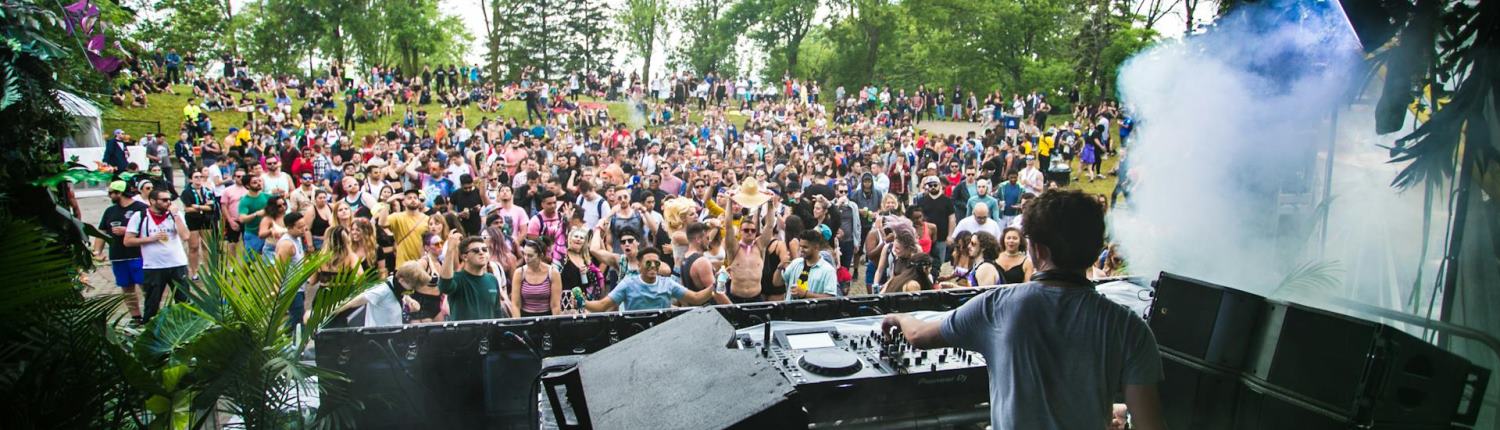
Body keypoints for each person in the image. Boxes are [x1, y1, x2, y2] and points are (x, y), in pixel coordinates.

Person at [881, 190, 1165, 430]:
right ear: (1095, 250)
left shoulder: (996, 306)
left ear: (1037, 250)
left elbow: (918, 335)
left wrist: (897, 316)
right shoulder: (1131, 329)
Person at [577, 247, 717, 311]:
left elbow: (696, 298)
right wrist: (583, 303)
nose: (652, 266)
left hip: (663, 335)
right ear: (639, 265)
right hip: (636, 335)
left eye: (656, 263)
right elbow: (602, 306)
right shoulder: (627, 284)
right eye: (648, 263)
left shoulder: (667, 283)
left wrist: (715, 285)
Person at [123, 189, 190, 321]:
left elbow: (186, 236)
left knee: (184, 302)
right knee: (152, 304)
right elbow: (128, 241)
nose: (168, 203)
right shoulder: (140, 216)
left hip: (177, 264)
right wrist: (150, 239)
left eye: (169, 200)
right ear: (152, 201)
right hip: (153, 266)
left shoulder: (175, 215)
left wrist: (176, 215)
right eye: (164, 200)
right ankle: (150, 330)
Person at [93, 181, 148, 324]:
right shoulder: (110, 211)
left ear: (120, 193)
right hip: (118, 255)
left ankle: (151, 314)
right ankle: (135, 317)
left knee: (145, 286)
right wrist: (97, 251)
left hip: (138, 254)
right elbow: (102, 232)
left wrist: (128, 231)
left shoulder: (142, 208)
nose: (110, 195)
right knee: (127, 288)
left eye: (112, 192)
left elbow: (151, 230)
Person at [333, 260, 425, 327]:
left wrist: (409, 301)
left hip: (395, 334)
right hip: (378, 337)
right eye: (412, 287)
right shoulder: (382, 290)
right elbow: (357, 300)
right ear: (401, 280)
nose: (412, 290)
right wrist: (334, 311)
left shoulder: (395, 284)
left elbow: (401, 296)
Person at [438, 233, 506, 321]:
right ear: (464, 257)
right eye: (476, 250)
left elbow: (497, 312)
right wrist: (450, 249)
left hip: (488, 334)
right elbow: (444, 286)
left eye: (484, 249)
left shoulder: (492, 279)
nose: (481, 252)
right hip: (464, 334)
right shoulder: (457, 278)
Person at [774, 229, 839, 300]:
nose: (801, 250)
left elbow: (831, 298)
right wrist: (779, 267)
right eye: (800, 246)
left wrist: (805, 294)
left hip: (813, 310)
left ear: (816, 247)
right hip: (791, 310)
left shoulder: (828, 270)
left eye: (805, 247)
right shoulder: (796, 263)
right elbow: (777, 283)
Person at [180, 171, 217, 279]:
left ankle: (208, 270)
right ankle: (194, 271)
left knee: (207, 246)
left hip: (206, 219)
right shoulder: (186, 192)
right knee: (194, 247)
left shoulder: (207, 191)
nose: (199, 179)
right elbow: (187, 209)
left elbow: (211, 207)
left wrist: (198, 207)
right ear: (191, 179)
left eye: (200, 176)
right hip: (192, 220)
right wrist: (203, 206)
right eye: (196, 177)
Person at [510, 239, 562, 317]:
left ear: (540, 256)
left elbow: (555, 305)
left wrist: (555, 324)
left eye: (530, 255)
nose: (526, 258)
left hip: (547, 317)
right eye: (524, 254)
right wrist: (518, 324)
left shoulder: (553, 273)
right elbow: (515, 305)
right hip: (525, 317)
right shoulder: (519, 273)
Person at [386, 189, 430, 267]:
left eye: (415, 198)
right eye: (409, 198)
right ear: (403, 202)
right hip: (402, 265)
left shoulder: (427, 219)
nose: (413, 200)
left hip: (422, 264)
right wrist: (387, 203)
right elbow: (382, 223)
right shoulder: (397, 217)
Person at [237, 175, 270, 258]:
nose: (259, 184)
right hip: (253, 234)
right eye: (255, 182)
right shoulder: (245, 200)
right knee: (249, 261)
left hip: (267, 232)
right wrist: (256, 214)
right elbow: (242, 218)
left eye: (259, 181)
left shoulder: (267, 197)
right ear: (247, 186)